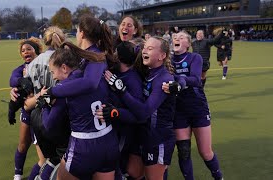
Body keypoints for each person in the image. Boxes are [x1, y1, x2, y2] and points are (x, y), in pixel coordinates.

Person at [103, 36, 176, 180]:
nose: (144, 51)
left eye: (150, 48)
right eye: (144, 48)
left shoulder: (164, 79)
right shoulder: (148, 72)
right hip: (143, 134)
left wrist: (121, 89)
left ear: (162, 56)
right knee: (133, 171)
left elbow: (144, 113)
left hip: (158, 138)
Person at [44, 42, 119, 180]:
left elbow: (49, 125)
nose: (53, 77)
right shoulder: (96, 76)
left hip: (83, 146)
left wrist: (44, 105)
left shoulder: (64, 88)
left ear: (64, 68)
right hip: (109, 141)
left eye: (53, 72)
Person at [162, 31, 223, 180]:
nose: (177, 38)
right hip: (178, 111)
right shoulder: (166, 61)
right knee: (183, 151)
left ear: (188, 44)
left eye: (181, 37)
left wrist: (176, 79)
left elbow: (196, 80)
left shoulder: (194, 57)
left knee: (205, 152)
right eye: (175, 37)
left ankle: (219, 177)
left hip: (197, 108)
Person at [10, 26, 66, 180]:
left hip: (38, 115)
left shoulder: (34, 63)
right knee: (64, 160)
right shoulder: (65, 58)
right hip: (60, 116)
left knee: (45, 160)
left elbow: (25, 94)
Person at [9, 37, 44, 180]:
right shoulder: (21, 69)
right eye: (23, 50)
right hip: (27, 111)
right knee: (23, 145)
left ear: (36, 50)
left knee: (43, 155)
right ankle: (18, 174)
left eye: (29, 49)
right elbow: (12, 79)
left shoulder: (44, 65)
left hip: (41, 112)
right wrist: (20, 81)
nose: (26, 52)